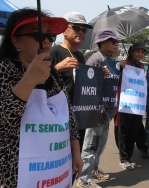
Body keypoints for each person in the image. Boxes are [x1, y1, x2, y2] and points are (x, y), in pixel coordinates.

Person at [0, 8, 82, 187]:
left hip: (53, 173)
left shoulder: (52, 74)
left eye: (50, 36)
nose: (47, 40)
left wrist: (76, 151)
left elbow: (68, 116)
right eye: (38, 35)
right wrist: (29, 80)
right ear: (16, 40)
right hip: (8, 176)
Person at [50, 11, 93, 186]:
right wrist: (57, 67)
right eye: (76, 27)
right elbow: (40, 82)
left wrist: (99, 78)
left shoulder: (81, 56)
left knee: (74, 161)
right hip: (57, 118)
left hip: (78, 117)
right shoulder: (54, 52)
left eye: (84, 29)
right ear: (64, 30)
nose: (81, 32)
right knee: (58, 161)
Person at [77, 28, 120, 188]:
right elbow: (86, 85)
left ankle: (94, 170)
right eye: (113, 41)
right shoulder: (95, 59)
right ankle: (84, 179)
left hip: (108, 109)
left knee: (100, 145)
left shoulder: (109, 61)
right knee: (90, 145)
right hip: (96, 111)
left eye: (117, 42)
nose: (116, 44)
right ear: (103, 42)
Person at [114, 43, 149, 170]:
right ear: (131, 52)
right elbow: (114, 77)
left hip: (137, 105)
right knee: (123, 132)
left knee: (134, 131)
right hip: (124, 104)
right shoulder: (124, 64)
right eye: (137, 51)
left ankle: (128, 157)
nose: (140, 54)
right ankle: (123, 158)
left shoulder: (141, 67)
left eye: (142, 52)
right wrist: (119, 66)